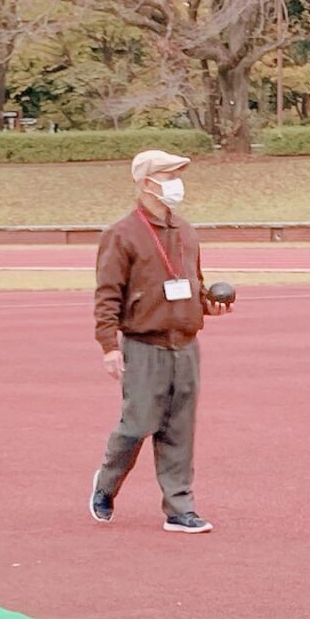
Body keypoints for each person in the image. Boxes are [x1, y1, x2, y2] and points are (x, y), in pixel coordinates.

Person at [89, 149, 229, 535]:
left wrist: (206, 308)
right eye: (167, 175)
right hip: (143, 344)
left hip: (184, 344)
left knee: (180, 429)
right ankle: (106, 483)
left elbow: (193, 282)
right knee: (137, 425)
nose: (175, 183)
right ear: (146, 181)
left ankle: (179, 508)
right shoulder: (122, 234)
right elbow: (107, 294)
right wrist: (109, 345)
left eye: (176, 174)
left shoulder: (186, 231)